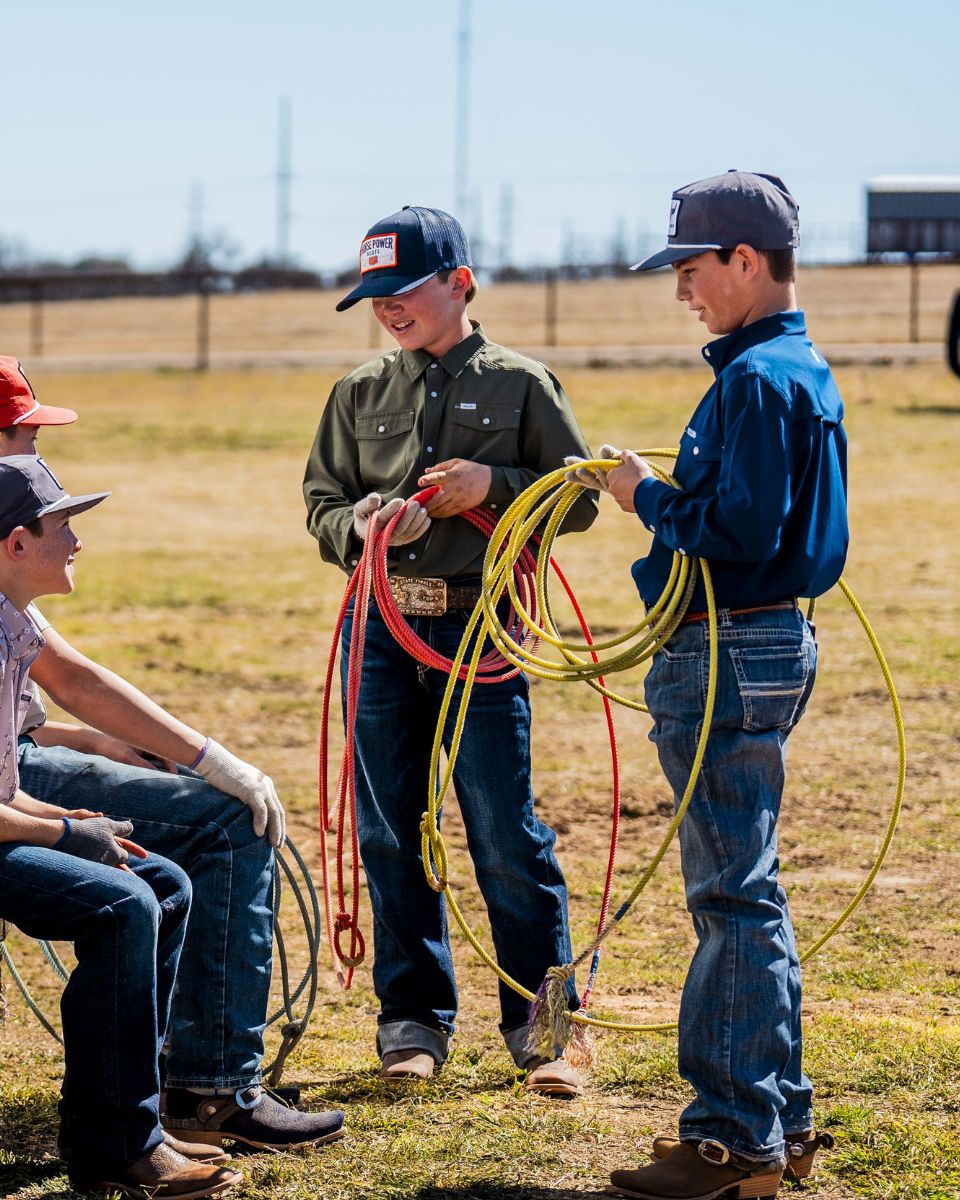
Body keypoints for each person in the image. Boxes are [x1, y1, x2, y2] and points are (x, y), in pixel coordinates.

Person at [569, 172, 848, 1200]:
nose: (682, 288)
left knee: (732, 895)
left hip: (726, 646)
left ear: (742, 260)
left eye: (690, 267)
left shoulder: (759, 381)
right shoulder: (785, 370)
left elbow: (737, 531)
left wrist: (643, 494)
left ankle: (732, 1137)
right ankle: (778, 1121)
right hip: (761, 640)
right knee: (748, 892)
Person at [0, 356, 346, 1154]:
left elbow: (54, 682)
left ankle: (152, 1091)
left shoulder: (10, 535)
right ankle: (207, 1089)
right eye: (22, 433)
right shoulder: (8, 531)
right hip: (10, 783)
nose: (34, 450)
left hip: (19, 760)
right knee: (222, 825)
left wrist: (88, 741)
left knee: (168, 864)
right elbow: (71, 677)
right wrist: (209, 766)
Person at [303, 206, 599, 1095]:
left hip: (484, 628)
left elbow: (577, 499)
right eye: (374, 296)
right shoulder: (360, 393)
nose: (387, 308)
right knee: (389, 827)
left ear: (460, 284)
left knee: (505, 831)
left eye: (404, 291)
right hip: (383, 625)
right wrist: (358, 527)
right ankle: (413, 1022)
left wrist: (495, 485)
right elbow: (321, 503)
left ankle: (548, 1030)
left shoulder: (523, 385)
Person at [0, 455, 241, 1198]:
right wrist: (68, 838)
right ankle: (117, 1145)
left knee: (162, 883)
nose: (76, 542)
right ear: (15, 542)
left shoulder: (14, 624)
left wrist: (64, 814)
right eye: (63, 525)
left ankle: (118, 1120)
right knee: (123, 902)